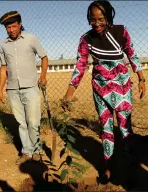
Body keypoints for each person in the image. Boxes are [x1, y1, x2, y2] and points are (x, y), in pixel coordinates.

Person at [62, 0, 146, 183]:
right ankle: (108, 168)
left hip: (123, 88)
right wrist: (69, 94)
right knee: (106, 130)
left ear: (108, 17)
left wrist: (141, 78)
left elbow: (131, 53)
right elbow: (80, 66)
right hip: (101, 90)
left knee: (125, 129)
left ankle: (130, 165)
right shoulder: (86, 39)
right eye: (93, 20)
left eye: (101, 19)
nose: (97, 23)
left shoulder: (121, 31)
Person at [0, 11, 48, 165]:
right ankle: (26, 151)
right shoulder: (3, 45)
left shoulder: (31, 39)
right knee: (21, 123)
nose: (11, 30)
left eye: (13, 26)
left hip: (31, 87)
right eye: (8, 27)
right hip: (12, 89)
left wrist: (43, 75)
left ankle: (37, 150)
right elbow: (4, 68)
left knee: (33, 121)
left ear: (20, 24)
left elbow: (44, 57)